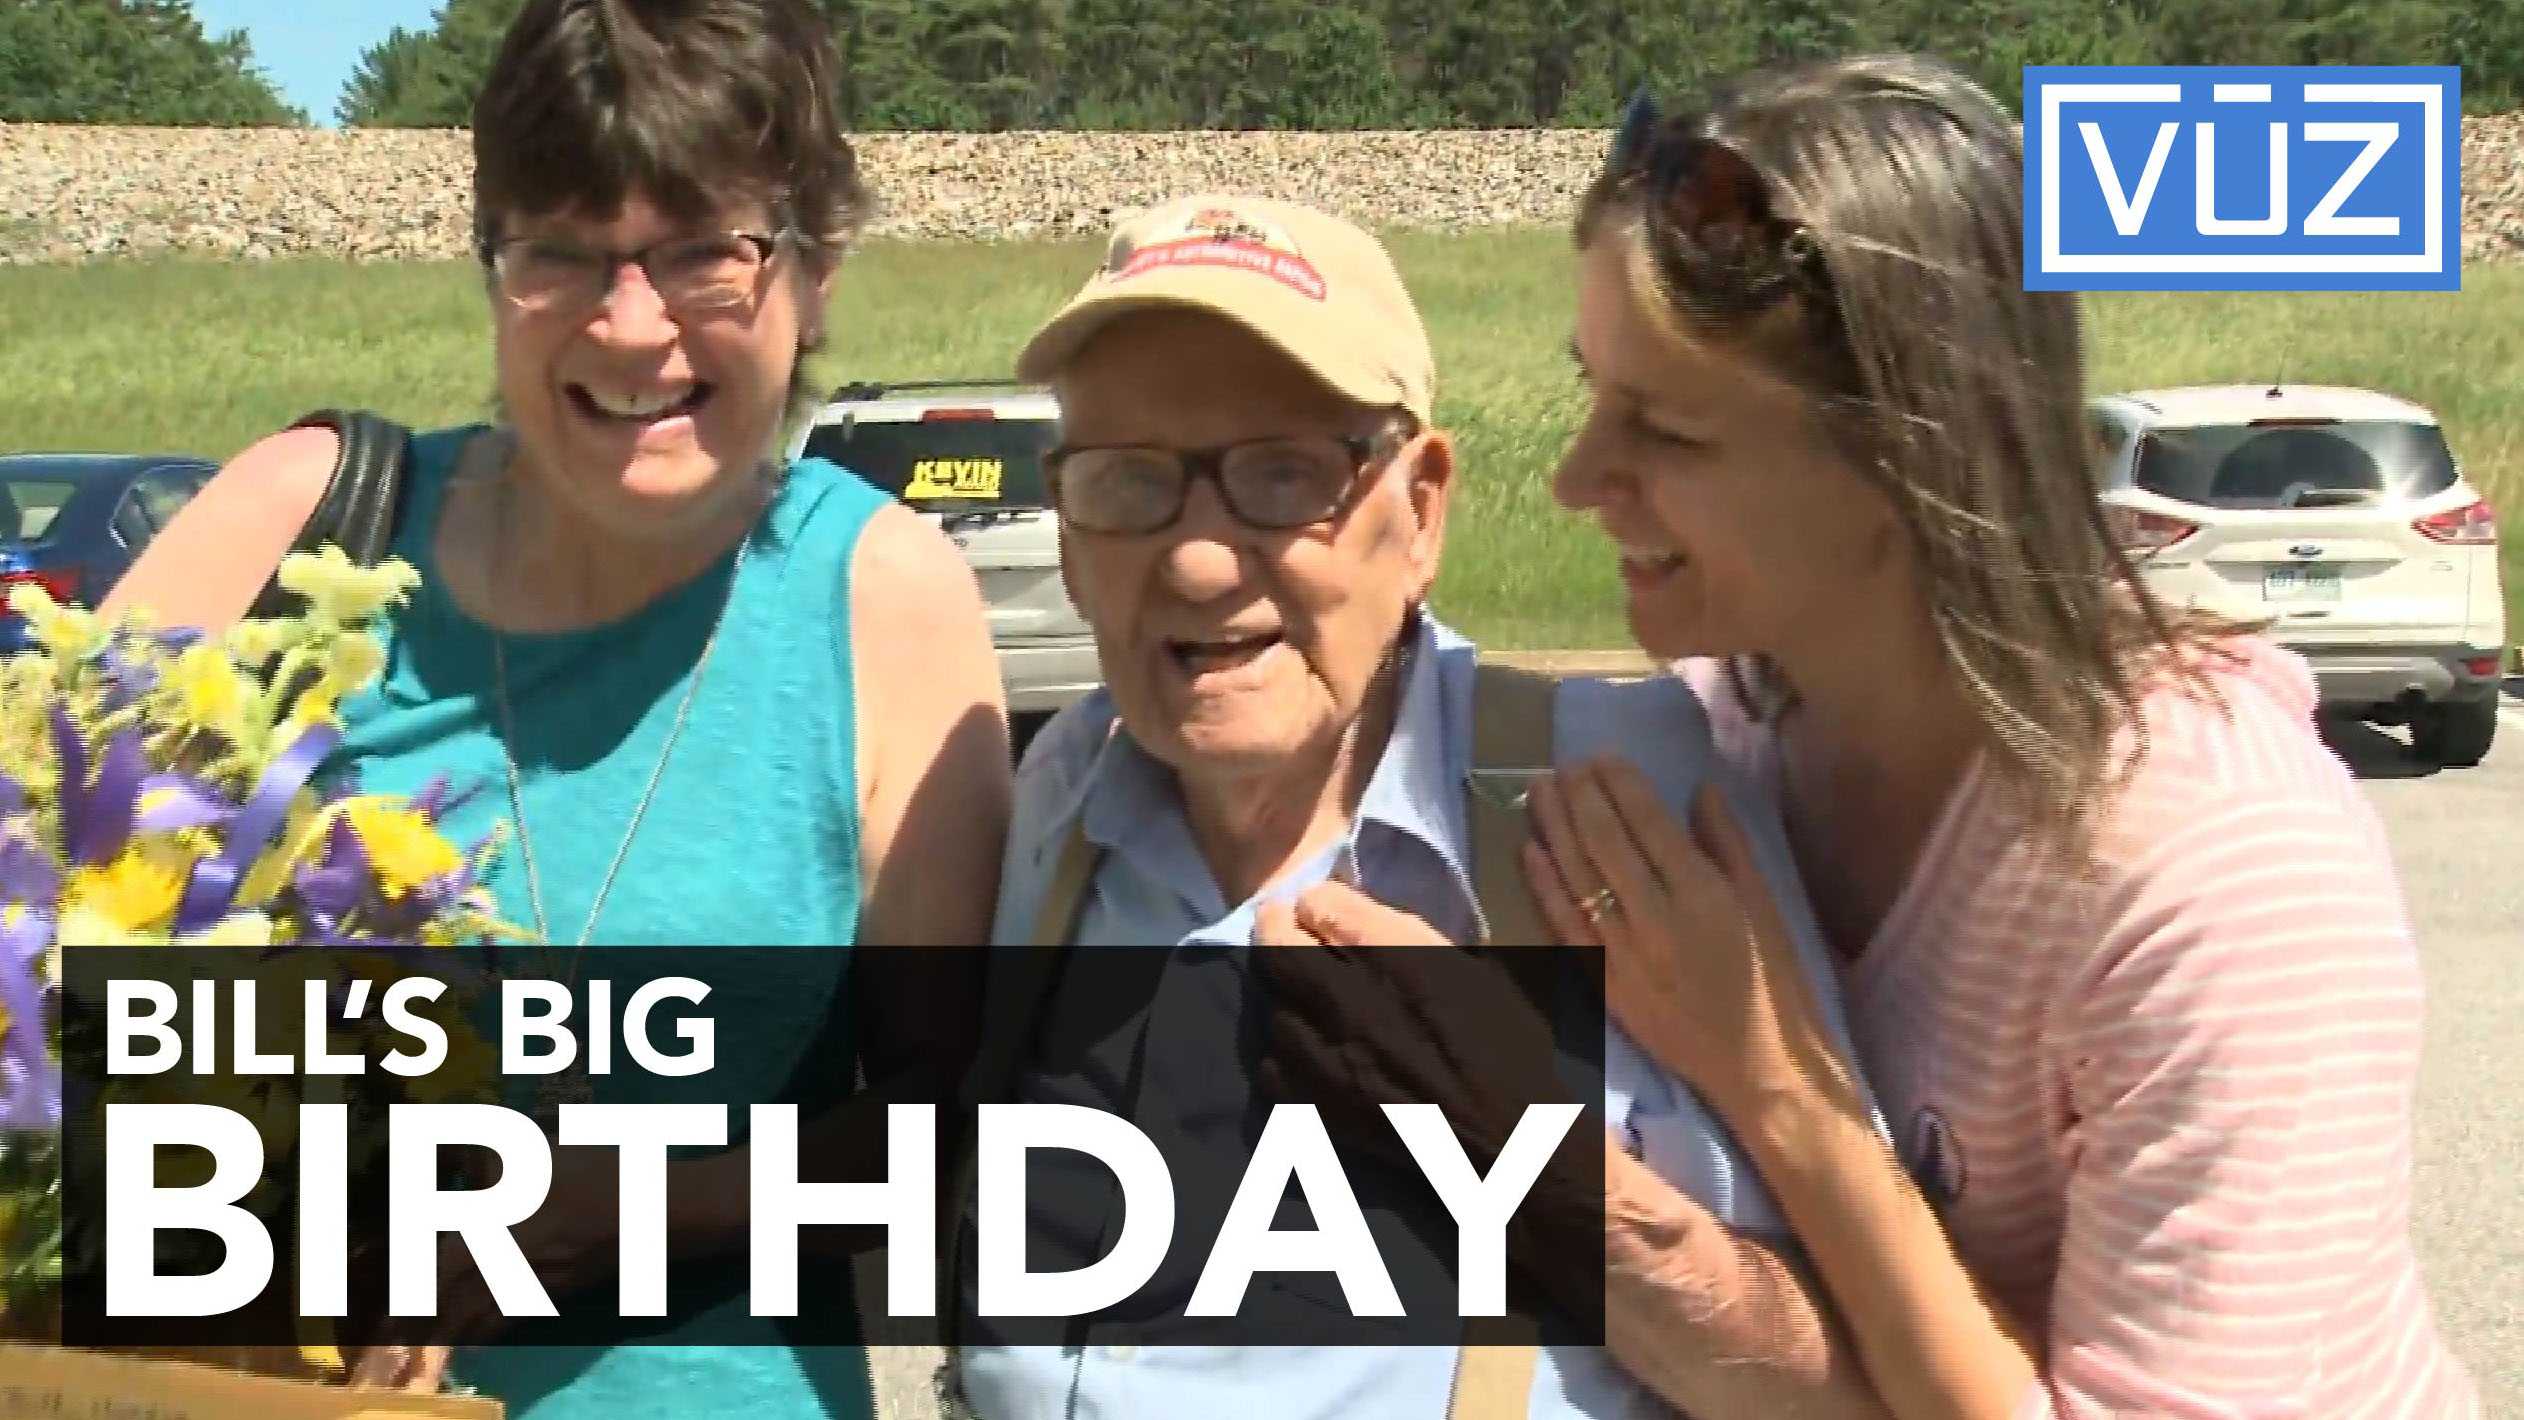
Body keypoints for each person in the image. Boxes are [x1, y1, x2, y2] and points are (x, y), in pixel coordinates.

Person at [1305, 54, 2481, 1417]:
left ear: (1909, 458)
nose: (1575, 480)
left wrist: (1777, 1083)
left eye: (1668, 431)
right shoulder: (1733, 728)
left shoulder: (2224, 881)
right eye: (1593, 393)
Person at [101, 1, 1012, 1416]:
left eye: (705, 250)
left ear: (818, 270)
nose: (629, 323)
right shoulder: (306, 528)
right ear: (492, 269)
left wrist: (598, 1213)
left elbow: (940, 1141)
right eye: (560, 254)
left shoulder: (884, 603)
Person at [951, 191, 1889, 1419]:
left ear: (1423, 510)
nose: (1193, 559)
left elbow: (1853, 1383)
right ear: (1070, 539)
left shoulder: (1617, 799)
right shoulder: (1055, 810)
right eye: (1129, 484)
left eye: (1281, 476)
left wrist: (1536, 1168)